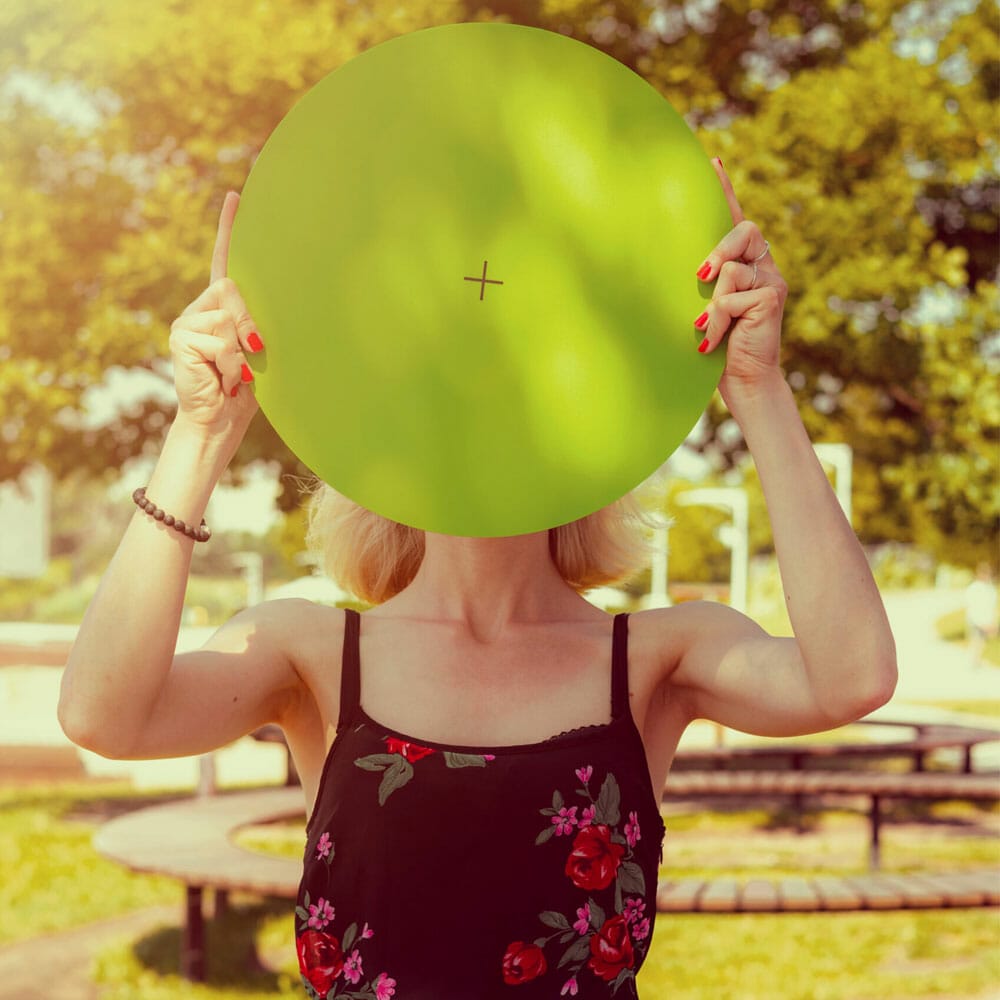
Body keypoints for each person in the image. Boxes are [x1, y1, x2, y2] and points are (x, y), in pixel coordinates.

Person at [58, 160, 897, 999]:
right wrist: (202, 431)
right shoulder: (309, 652)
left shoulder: (657, 658)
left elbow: (852, 678)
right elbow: (103, 714)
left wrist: (757, 385)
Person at [964, 563, 998, 668]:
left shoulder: (990, 589)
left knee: (982, 641)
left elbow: (993, 607)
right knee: (976, 640)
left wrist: (992, 622)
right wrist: (980, 622)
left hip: (987, 620)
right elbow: (972, 607)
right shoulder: (974, 588)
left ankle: (976, 660)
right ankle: (974, 661)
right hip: (976, 619)